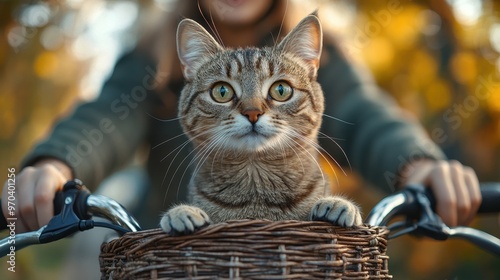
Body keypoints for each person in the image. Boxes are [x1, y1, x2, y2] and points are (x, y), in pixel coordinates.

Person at [2, 0, 481, 233]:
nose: (252, 110)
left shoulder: (316, 49)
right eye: (224, 93)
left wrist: (418, 165)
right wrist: (54, 164)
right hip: (171, 251)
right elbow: (105, 119)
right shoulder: (154, 51)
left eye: (277, 91)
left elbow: (363, 111)